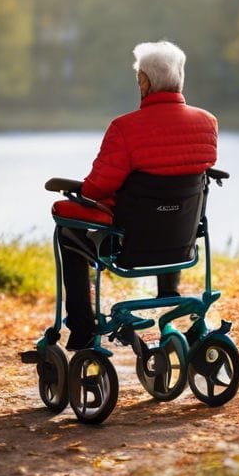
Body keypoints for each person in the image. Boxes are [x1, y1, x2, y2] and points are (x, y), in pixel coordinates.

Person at [58, 40, 218, 350]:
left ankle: (82, 328)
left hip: (129, 245)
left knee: (68, 232)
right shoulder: (207, 123)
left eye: (138, 80)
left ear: (144, 82)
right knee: (173, 205)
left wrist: (79, 191)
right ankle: (169, 295)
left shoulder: (124, 129)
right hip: (181, 241)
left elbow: (96, 188)